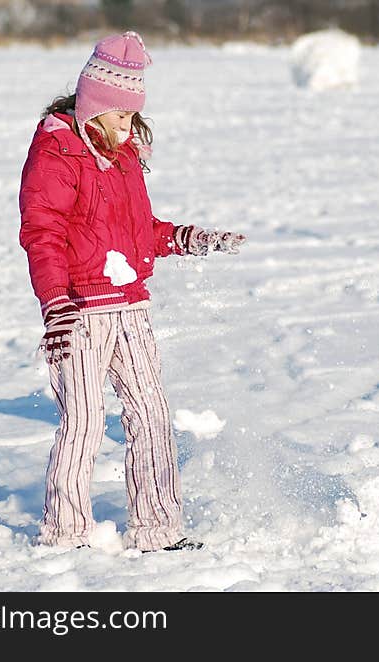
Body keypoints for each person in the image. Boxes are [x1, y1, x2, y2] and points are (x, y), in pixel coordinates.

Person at [18, 31, 245, 552]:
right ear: (96, 106)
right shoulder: (57, 153)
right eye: (123, 116)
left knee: (152, 413)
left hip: (130, 306)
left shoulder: (122, 156)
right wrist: (55, 304)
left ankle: (158, 529)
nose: (130, 126)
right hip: (79, 311)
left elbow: (138, 231)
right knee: (84, 421)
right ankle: (66, 532)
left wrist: (189, 238)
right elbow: (42, 233)